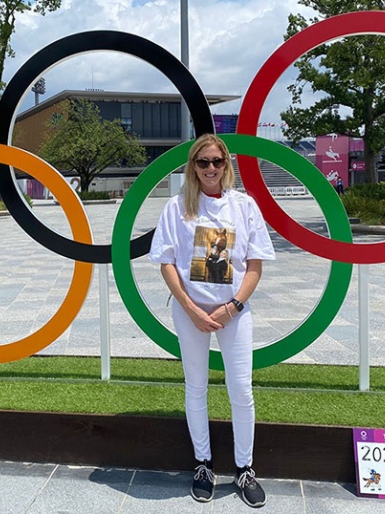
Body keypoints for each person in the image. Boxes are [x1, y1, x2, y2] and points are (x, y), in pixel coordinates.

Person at [149, 134, 275, 507]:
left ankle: (244, 468)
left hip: (233, 312)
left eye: (216, 161)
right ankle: (203, 464)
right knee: (196, 387)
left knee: (241, 389)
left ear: (226, 165)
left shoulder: (245, 207)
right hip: (190, 312)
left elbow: (254, 265)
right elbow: (166, 261)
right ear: (193, 166)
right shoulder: (176, 207)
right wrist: (190, 307)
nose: (209, 168)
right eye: (202, 162)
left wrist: (233, 306)